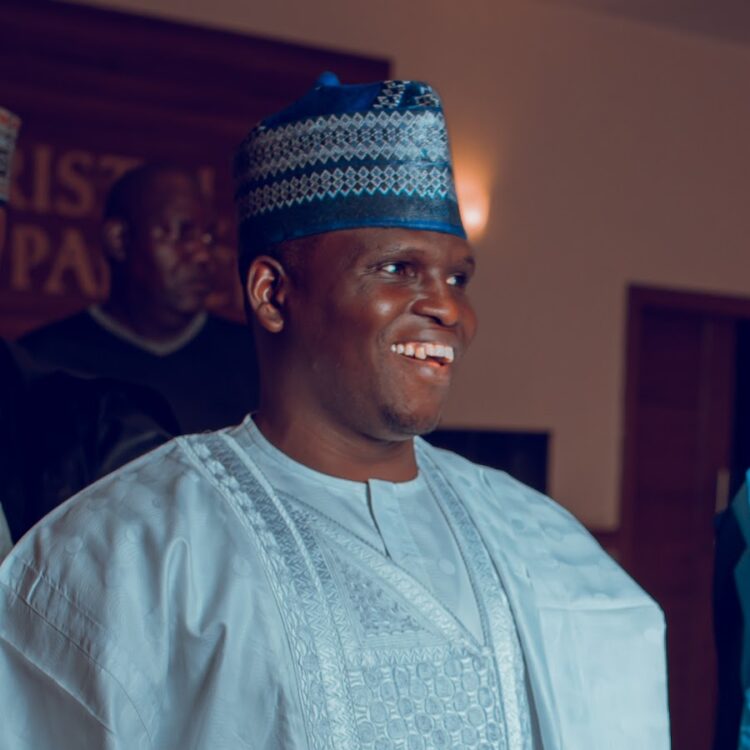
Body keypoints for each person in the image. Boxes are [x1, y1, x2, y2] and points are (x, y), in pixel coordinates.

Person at [0, 75, 670, 748]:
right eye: (398, 269)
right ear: (272, 293)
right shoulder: (132, 546)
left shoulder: (540, 541)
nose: (448, 308)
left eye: (458, 278)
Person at [19, 163, 258, 433]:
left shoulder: (255, 360)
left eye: (208, 237)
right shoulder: (42, 362)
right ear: (119, 240)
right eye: (180, 233)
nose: (203, 255)